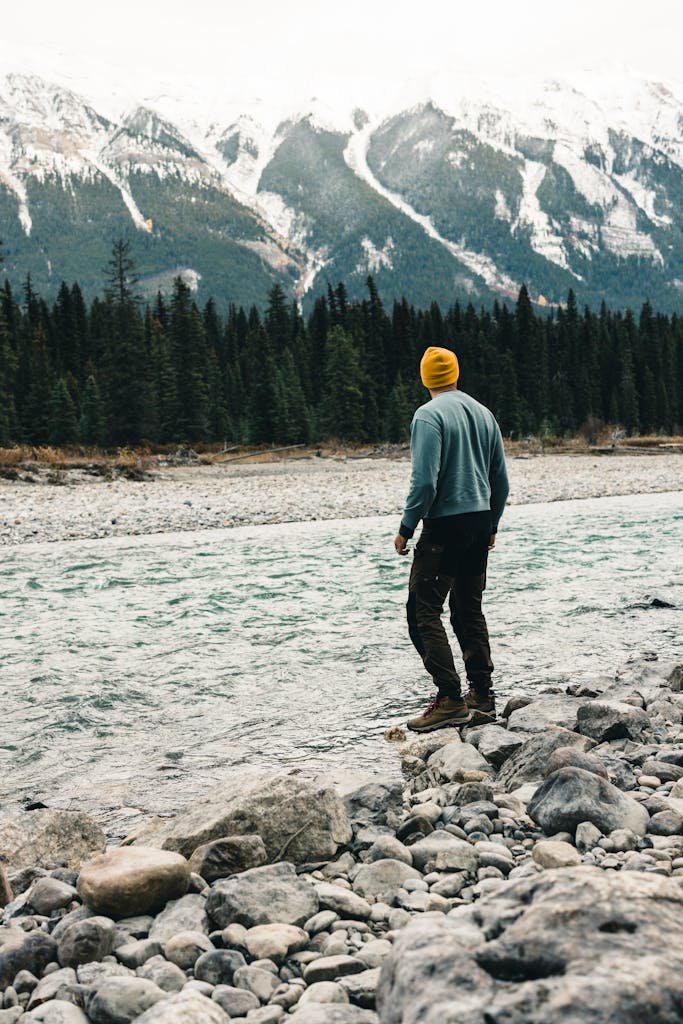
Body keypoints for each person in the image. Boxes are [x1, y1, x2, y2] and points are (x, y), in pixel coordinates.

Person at [394, 346, 509, 732]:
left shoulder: (427, 416)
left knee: (422, 611)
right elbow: (500, 481)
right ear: (455, 374)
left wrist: (406, 527)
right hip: (478, 522)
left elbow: (424, 481)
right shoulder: (484, 413)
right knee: (467, 609)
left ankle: (450, 699)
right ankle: (483, 695)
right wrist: (492, 523)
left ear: (426, 379)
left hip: (445, 525)